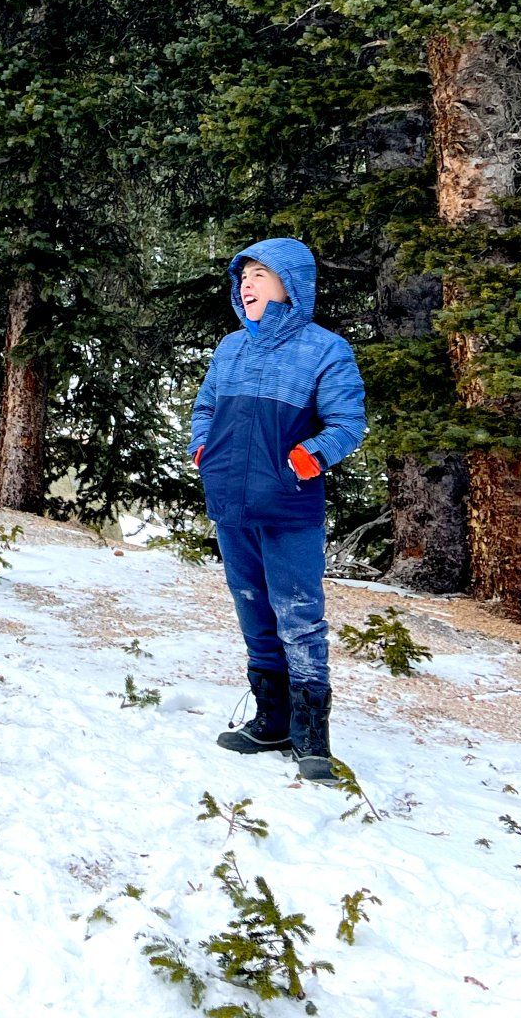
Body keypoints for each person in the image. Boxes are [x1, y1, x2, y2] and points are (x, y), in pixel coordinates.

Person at [190, 238, 367, 784]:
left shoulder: (325, 350)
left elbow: (346, 425)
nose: (247, 284)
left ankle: (312, 735)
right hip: (231, 504)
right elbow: (205, 408)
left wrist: (305, 459)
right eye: (243, 275)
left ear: (291, 282)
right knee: (252, 609)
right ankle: (271, 721)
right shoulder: (231, 348)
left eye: (260, 275)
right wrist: (204, 449)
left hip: (289, 506)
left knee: (299, 615)